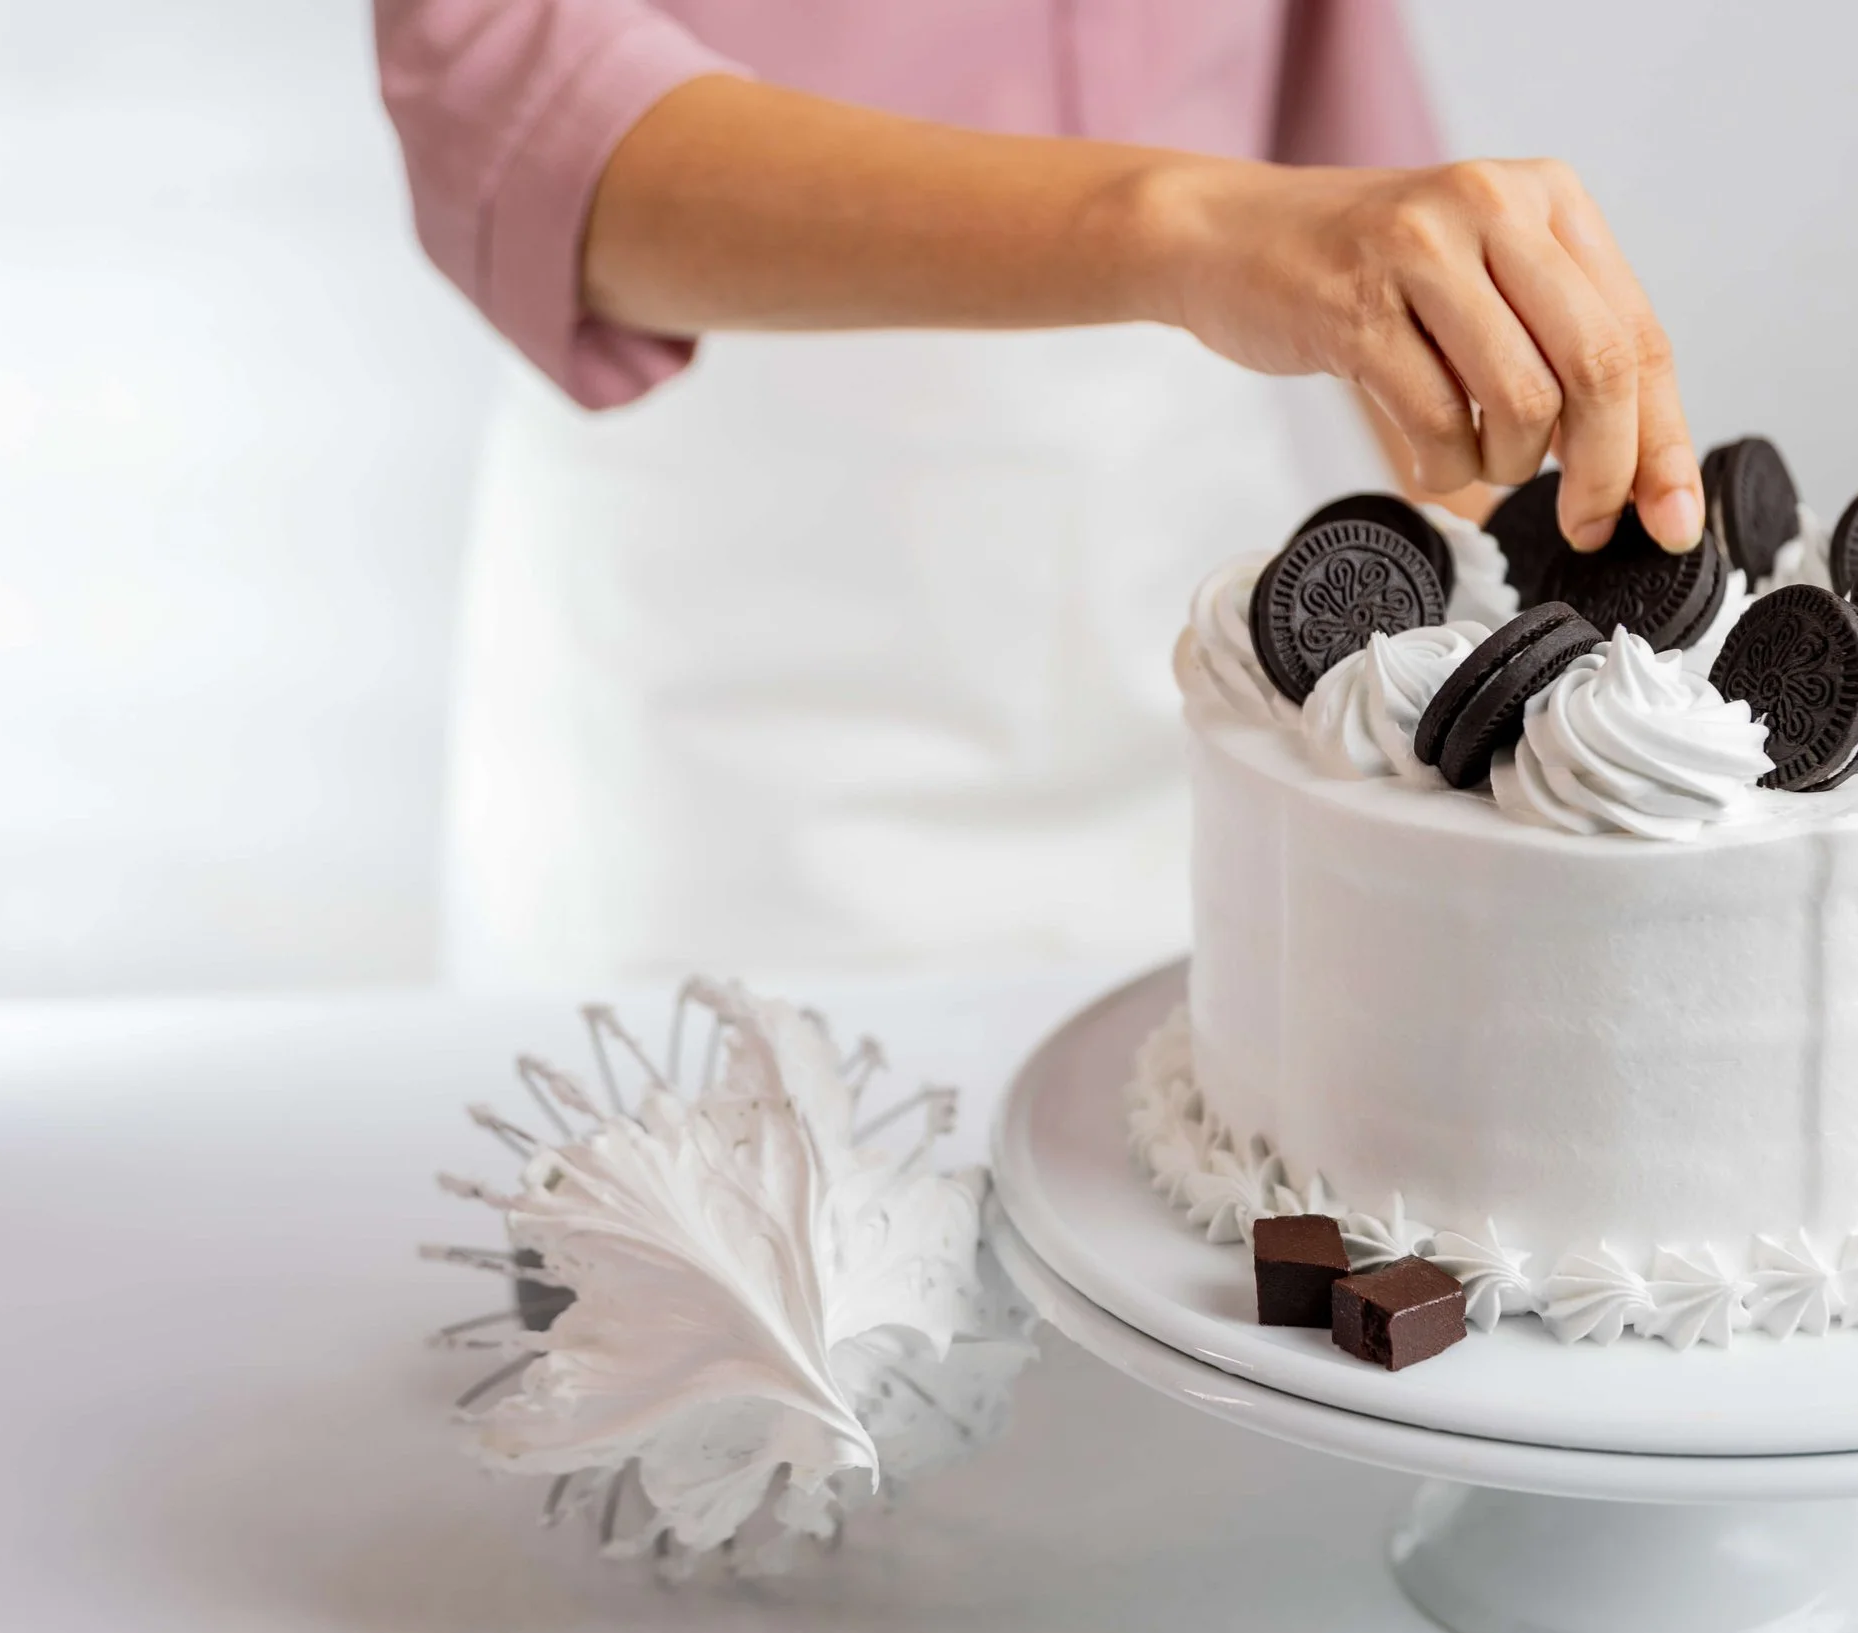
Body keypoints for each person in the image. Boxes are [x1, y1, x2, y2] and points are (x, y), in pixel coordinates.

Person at [374, 0, 1701, 985]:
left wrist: (1528, 581)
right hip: (741, 634)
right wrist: (1187, 230)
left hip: (1195, 597)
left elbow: (1322, 75)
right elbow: (511, 108)